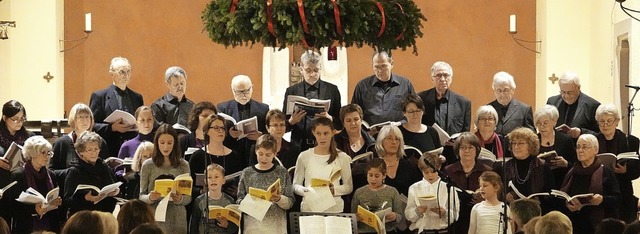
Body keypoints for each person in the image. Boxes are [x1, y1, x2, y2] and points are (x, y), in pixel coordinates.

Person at [560, 134, 620, 233]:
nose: (580, 150)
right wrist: (568, 204)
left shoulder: (605, 171)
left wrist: (602, 199)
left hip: (595, 225)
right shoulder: (572, 171)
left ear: (595, 150)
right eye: (578, 147)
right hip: (573, 223)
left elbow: (617, 199)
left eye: (584, 147)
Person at [284, 51, 342, 151]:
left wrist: (329, 118)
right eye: (308, 70)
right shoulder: (292, 91)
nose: (312, 74)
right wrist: (291, 121)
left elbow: (340, 123)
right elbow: (284, 125)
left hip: (325, 144)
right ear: (301, 69)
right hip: (299, 145)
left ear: (320, 69)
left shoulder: (332, 90)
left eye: (316, 70)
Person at [293, 117, 352, 213]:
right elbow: (295, 185)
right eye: (318, 133)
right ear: (313, 133)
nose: (322, 137)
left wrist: (334, 190)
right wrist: (306, 191)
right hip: (309, 208)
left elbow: (348, 187)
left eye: (326, 133)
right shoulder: (304, 156)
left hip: (334, 209)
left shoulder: (342, 157)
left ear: (333, 133)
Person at [139, 124, 191, 234]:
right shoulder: (148, 165)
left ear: (175, 143)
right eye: (162, 143)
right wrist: (150, 197)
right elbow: (141, 195)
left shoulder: (183, 165)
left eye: (169, 143)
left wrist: (180, 199)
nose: (166, 147)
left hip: (177, 219)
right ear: (157, 143)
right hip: (155, 217)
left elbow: (188, 198)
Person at [237, 134, 294, 233]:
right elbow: (239, 200)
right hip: (252, 228)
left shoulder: (282, 172)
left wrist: (279, 199)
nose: (264, 158)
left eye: (268, 155)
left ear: (274, 154)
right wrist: (252, 202)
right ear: (255, 151)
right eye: (260, 154)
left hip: (276, 228)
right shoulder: (247, 173)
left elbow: (290, 202)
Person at [90, 57, 144, 157]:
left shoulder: (137, 97)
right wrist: (111, 128)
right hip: (110, 148)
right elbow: (91, 126)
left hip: (133, 149)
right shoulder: (99, 96)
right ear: (112, 73)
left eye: (128, 72)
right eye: (122, 72)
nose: (126, 75)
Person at [595, 103, 640, 223]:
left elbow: (637, 169)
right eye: (601, 121)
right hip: (602, 189)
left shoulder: (631, 141)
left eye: (609, 121)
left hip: (623, 190)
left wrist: (626, 170)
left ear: (617, 121)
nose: (605, 125)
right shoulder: (593, 140)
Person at [8, 136, 63, 233]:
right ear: (32, 154)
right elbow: (13, 207)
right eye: (43, 153)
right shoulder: (19, 175)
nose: (47, 156)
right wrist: (34, 210)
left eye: (49, 153)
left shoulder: (51, 175)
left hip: (50, 227)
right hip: (27, 227)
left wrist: (56, 203)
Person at [444, 132, 493, 232]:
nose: (467, 151)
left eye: (470, 147)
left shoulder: (487, 171)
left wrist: (484, 200)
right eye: (463, 148)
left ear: (477, 150)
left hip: (480, 217)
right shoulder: (448, 171)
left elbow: (495, 196)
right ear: (458, 151)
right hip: (455, 220)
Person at [351, 51, 416, 126]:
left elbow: (414, 110)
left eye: (383, 66)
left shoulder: (405, 84)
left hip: (399, 131)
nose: (380, 70)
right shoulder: (362, 86)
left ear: (391, 64)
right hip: (371, 134)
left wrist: (400, 123)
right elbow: (354, 112)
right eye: (376, 67)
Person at [189, 115, 245, 199]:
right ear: (207, 131)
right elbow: (189, 186)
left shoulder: (234, 156)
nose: (220, 131)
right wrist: (200, 191)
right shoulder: (198, 156)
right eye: (216, 128)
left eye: (222, 128)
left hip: (228, 202)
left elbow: (241, 183)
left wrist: (237, 190)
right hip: (204, 202)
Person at [64, 132, 119, 216]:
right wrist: (85, 198)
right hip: (84, 218)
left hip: (104, 215)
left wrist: (114, 192)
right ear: (81, 152)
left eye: (96, 149)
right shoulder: (75, 171)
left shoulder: (105, 167)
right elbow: (67, 201)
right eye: (89, 150)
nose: (94, 152)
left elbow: (114, 185)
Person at [217, 75, 269, 161]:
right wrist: (229, 134)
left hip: (255, 155)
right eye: (239, 92)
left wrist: (261, 136)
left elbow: (270, 132)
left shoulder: (263, 109)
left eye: (246, 91)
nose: (243, 95)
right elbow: (216, 132)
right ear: (233, 90)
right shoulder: (223, 108)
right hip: (231, 154)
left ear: (252, 87)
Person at [405, 153, 459, 233]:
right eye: (426, 172)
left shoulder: (448, 188)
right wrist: (417, 211)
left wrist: (444, 213)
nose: (430, 175)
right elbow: (408, 215)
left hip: (442, 231)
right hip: (422, 231)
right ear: (421, 170)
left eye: (433, 171)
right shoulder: (414, 188)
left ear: (439, 168)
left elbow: (455, 215)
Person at [497, 128, 554, 204]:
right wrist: (505, 196)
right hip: (511, 210)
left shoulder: (542, 166)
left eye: (520, 143)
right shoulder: (506, 166)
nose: (516, 147)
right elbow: (497, 191)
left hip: (536, 211)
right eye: (513, 143)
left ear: (531, 145)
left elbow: (551, 194)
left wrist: (539, 200)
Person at [352, 158, 405, 233]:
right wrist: (356, 218)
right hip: (364, 231)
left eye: (377, 176)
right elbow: (353, 216)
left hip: (386, 231)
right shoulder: (359, 192)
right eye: (370, 175)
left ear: (384, 175)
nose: (373, 179)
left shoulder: (392, 191)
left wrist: (394, 216)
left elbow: (400, 216)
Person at [418, 61, 471, 135]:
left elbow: (466, 133)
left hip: (453, 146)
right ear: (432, 78)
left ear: (451, 78)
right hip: (429, 145)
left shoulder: (463, 103)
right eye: (438, 75)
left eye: (446, 75)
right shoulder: (421, 99)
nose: (442, 79)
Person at [51, 103, 109, 170]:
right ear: (73, 119)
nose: (85, 120)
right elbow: (52, 171)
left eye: (87, 117)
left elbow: (105, 168)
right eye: (81, 117)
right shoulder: (61, 143)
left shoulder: (100, 141)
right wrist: (71, 173)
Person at [334, 104, 375, 191]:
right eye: (348, 120)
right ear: (343, 123)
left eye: (356, 119)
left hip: (366, 187)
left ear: (361, 120)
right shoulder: (335, 141)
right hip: (342, 187)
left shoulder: (371, 142)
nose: (353, 123)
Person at [546, 71, 600, 138]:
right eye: (562, 92)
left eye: (570, 92)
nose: (566, 96)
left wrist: (581, 132)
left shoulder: (592, 106)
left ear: (578, 88)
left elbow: (600, 136)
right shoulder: (552, 102)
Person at [534, 105, 576, 189]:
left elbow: (576, 164)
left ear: (554, 122)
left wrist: (566, 164)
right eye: (539, 123)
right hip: (539, 184)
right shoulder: (533, 140)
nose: (542, 127)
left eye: (545, 123)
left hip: (560, 183)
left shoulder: (565, 140)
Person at [189, 163, 238, 234]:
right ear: (206, 181)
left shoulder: (230, 201)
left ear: (223, 180)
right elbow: (193, 226)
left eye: (216, 177)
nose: (213, 180)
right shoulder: (199, 201)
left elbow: (235, 227)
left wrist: (227, 225)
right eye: (209, 177)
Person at [375, 125, 422, 196]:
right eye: (389, 138)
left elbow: (417, 192)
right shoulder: (374, 166)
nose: (394, 142)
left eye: (397, 139)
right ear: (381, 141)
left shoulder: (409, 166)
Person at [488, 71, 535, 135]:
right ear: (494, 91)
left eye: (506, 90)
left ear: (513, 90)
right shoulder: (488, 109)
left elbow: (531, 135)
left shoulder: (524, 110)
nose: (502, 94)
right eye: (499, 90)